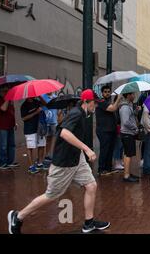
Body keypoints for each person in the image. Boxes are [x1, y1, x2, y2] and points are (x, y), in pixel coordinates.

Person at [8, 89, 110, 234]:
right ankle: (18, 217)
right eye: (95, 103)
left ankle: (88, 223)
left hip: (76, 158)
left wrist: (81, 151)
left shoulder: (82, 113)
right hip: (64, 163)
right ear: (87, 102)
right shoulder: (76, 113)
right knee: (51, 195)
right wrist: (86, 148)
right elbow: (64, 133)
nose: (96, 106)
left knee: (91, 185)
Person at [95, 86, 121, 176]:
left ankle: (108, 168)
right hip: (104, 131)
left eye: (109, 91)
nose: (107, 93)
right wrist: (118, 99)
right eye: (105, 92)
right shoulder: (101, 102)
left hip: (111, 130)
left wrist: (117, 100)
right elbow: (113, 108)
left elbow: (114, 107)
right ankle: (101, 169)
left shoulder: (108, 102)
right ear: (102, 93)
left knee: (110, 150)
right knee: (104, 150)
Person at [0, 86, 19, 169]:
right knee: (3, 145)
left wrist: (15, 122)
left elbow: (12, 112)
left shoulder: (11, 101)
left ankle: (10, 162)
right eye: (5, 91)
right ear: (1, 92)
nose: (6, 92)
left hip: (10, 125)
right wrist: (7, 99)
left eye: (8, 91)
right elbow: (3, 109)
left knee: (11, 145)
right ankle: (2, 163)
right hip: (2, 127)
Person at [20, 97, 45, 174]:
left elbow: (45, 104)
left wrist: (40, 96)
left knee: (42, 145)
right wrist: (35, 112)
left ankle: (40, 163)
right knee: (30, 147)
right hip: (29, 129)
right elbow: (23, 118)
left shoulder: (37, 102)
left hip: (39, 128)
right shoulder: (24, 105)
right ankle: (31, 166)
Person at [119, 92, 139, 183]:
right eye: (132, 94)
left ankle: (128, 173)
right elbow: (126, 121)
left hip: (128, 133)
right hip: (127, 134)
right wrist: (135, 128)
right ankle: (126, 175)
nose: (134, 96)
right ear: (128, 95)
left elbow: (129, 118)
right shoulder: (125, 107)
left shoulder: (128, 106)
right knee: (128, 154)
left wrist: (135, 112)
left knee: (128, 154)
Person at [41, 92, 58, 166]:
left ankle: (49, 154)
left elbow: (58, 108)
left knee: (52, 138)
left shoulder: (55, 97)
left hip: (53, 121)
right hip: (45, 121)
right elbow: (42, 105)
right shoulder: (42, 96)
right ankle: (44, 156)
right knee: (45, 139)